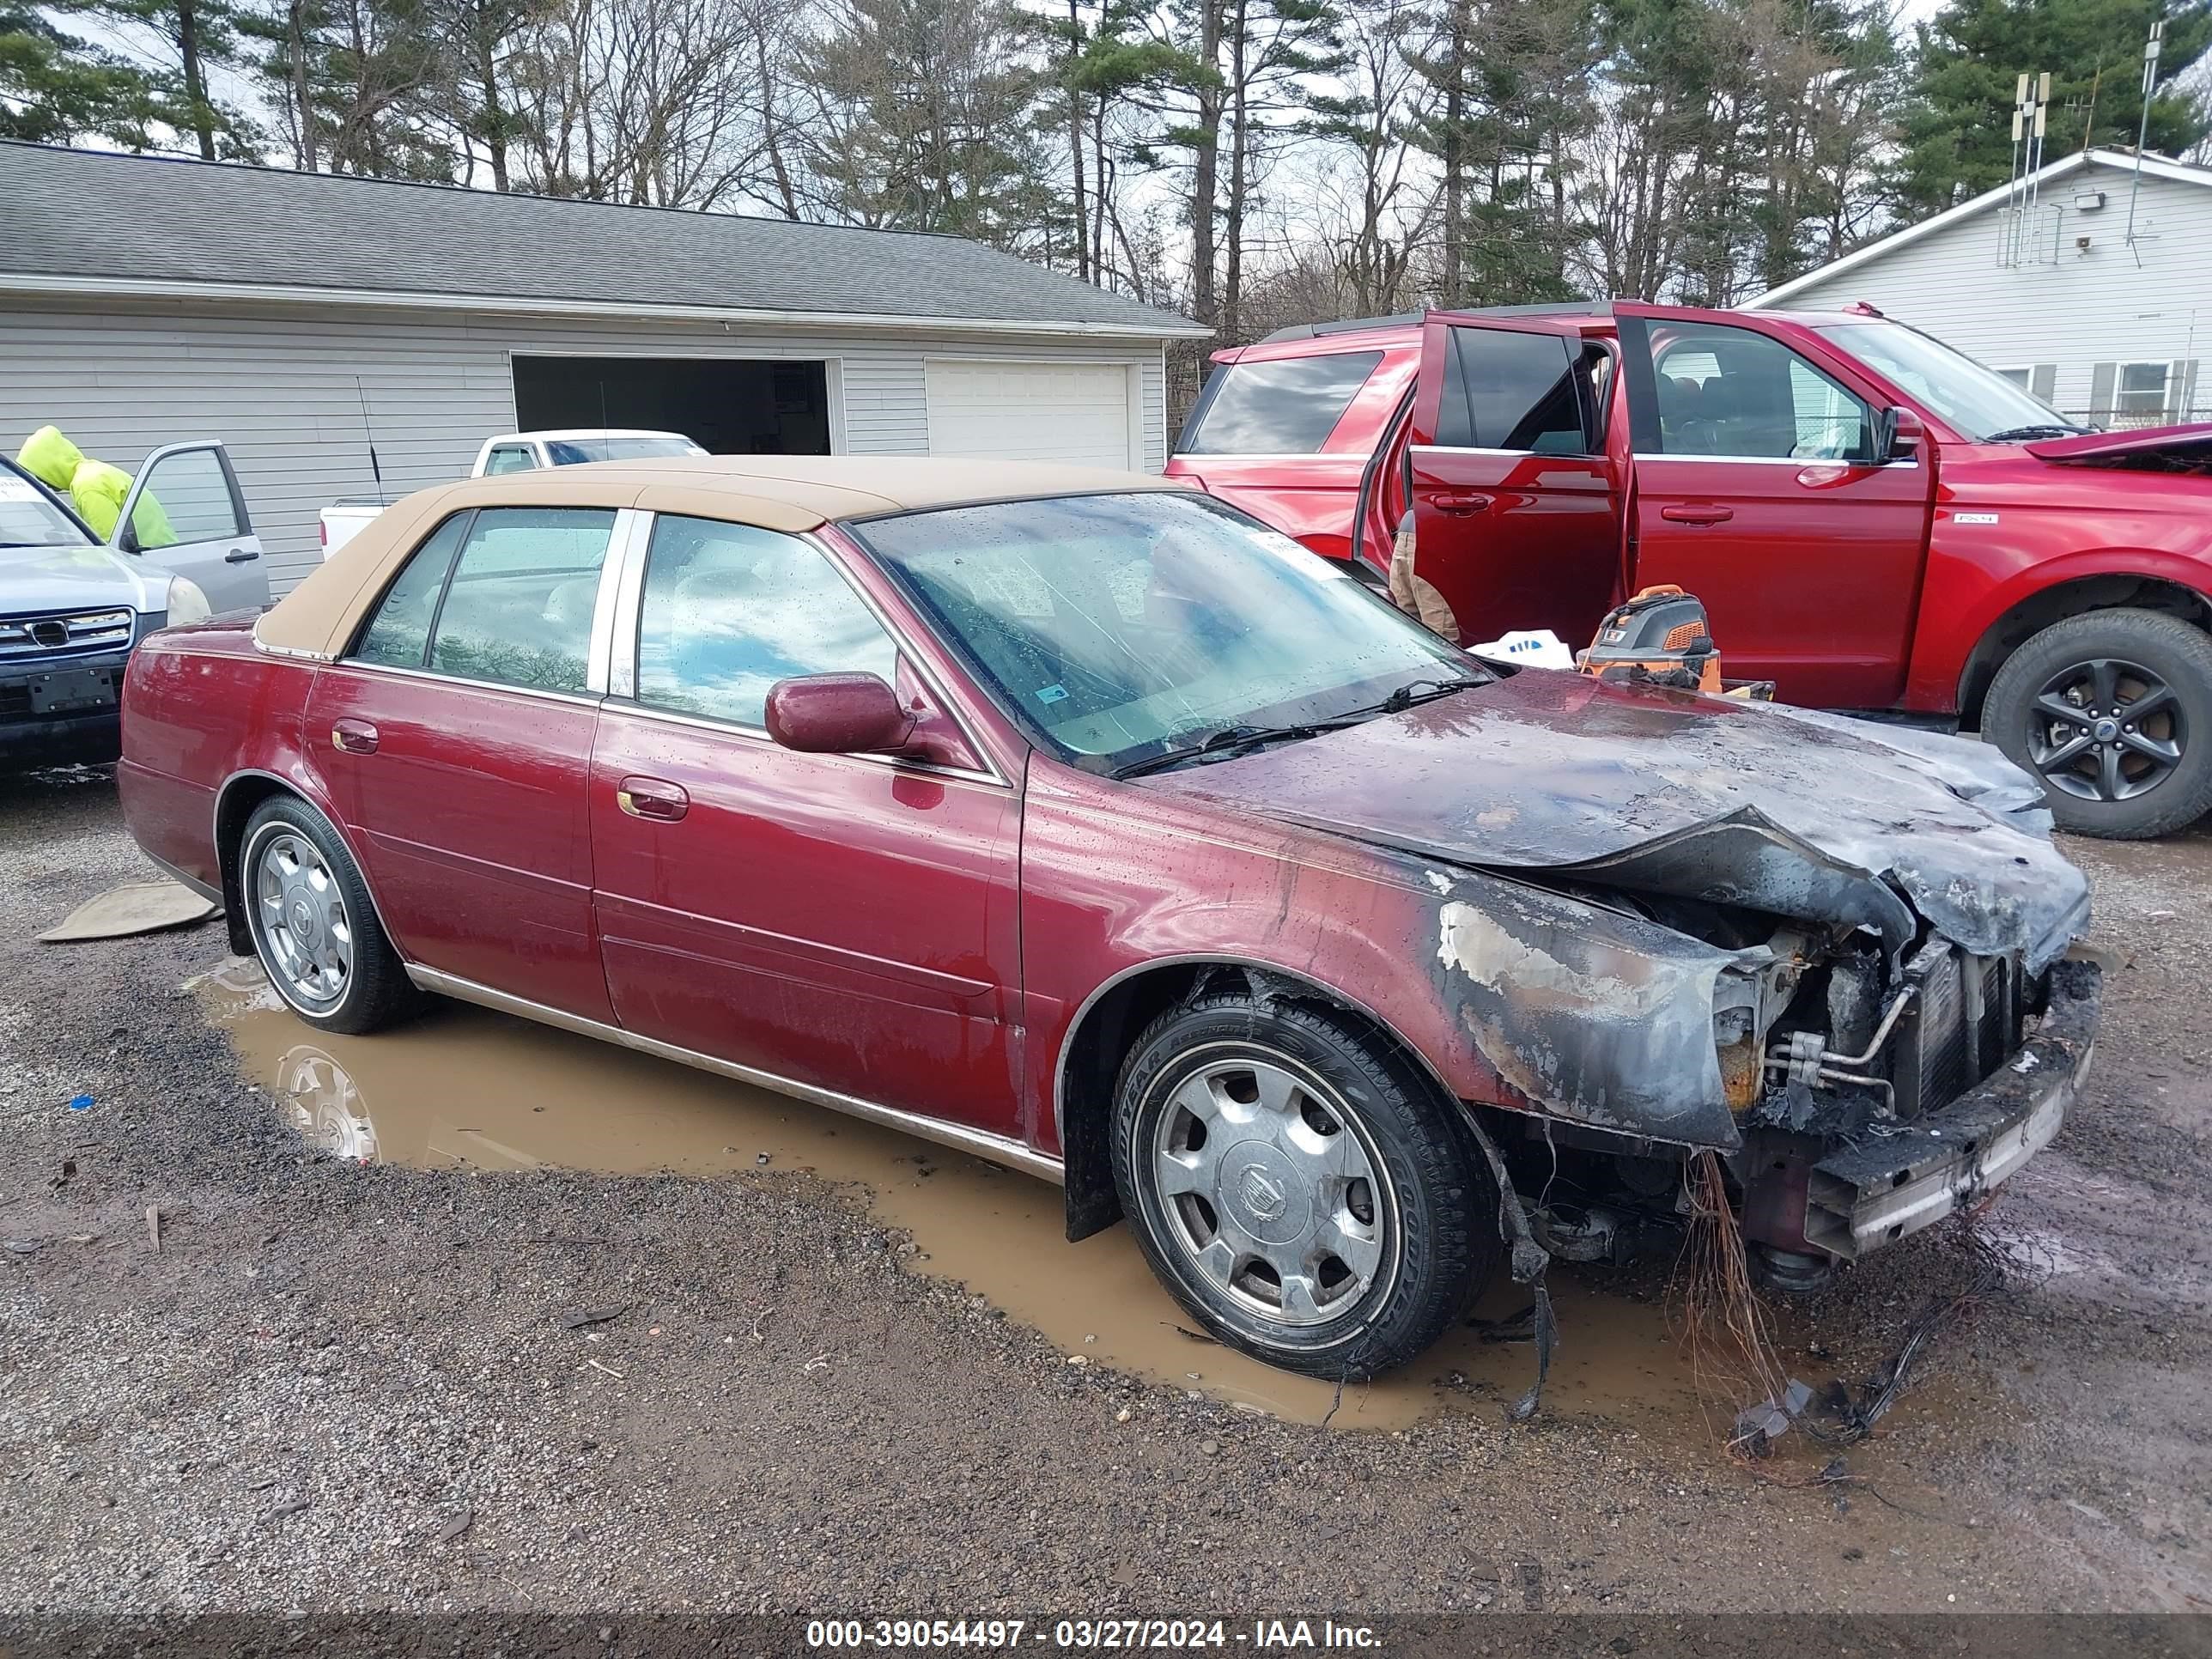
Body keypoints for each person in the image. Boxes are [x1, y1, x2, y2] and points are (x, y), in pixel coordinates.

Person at [15, 425, 174, 545]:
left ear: (50, 466)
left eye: (39, 474)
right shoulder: (94, 471)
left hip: (149, 565)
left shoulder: (87, 486)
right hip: (160, 552)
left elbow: (109, 545)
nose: (42, 482)